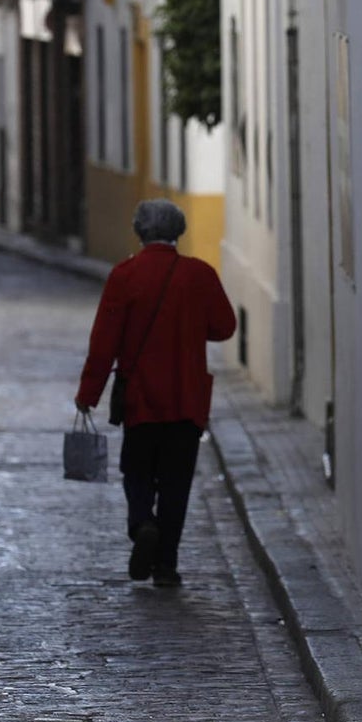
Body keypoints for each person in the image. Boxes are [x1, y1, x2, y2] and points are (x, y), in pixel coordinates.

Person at [74, 200, 236, 587]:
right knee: (177, 483)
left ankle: (142, 521)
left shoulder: (125, 276)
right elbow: (225, 326)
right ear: (178, 232)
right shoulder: (199, 274)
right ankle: (165, 566)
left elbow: (104, 344)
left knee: (138, 471)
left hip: (141, 400)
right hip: (187, 399)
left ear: (140, 231)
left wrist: (88, 394)